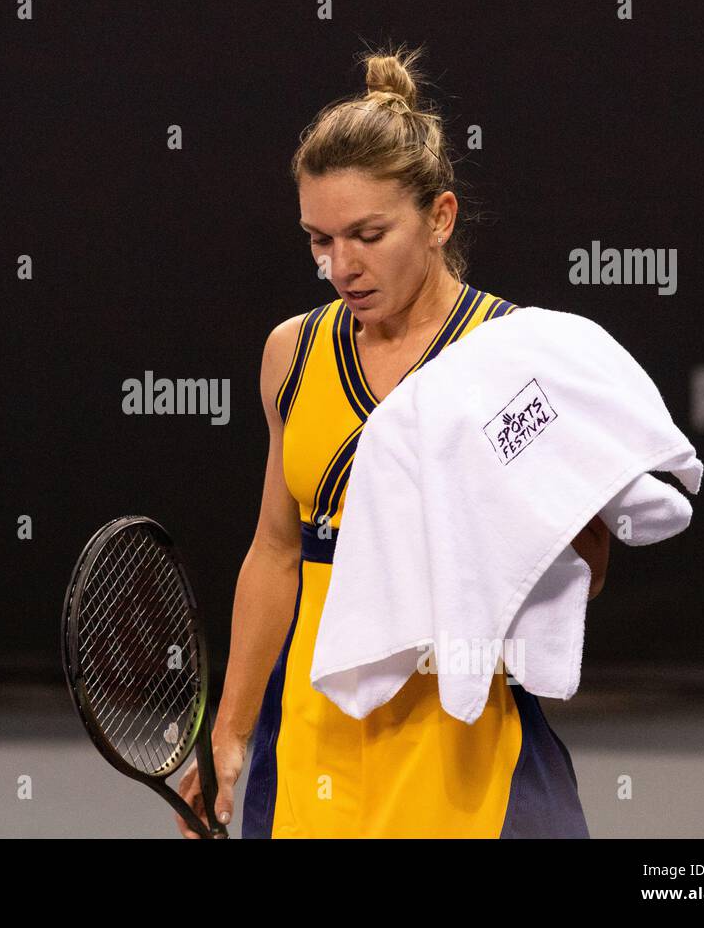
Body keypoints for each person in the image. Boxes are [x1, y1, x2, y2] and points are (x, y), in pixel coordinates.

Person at [175, 44, 610, 838]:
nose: (341, 265)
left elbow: (586, 567)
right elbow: (277, 550)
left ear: (440, 217)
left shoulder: (517, 358)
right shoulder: (291, 352)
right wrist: (230, 730)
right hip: (313, 745)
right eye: (319, 240)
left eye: (368, 234)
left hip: (469, 740)